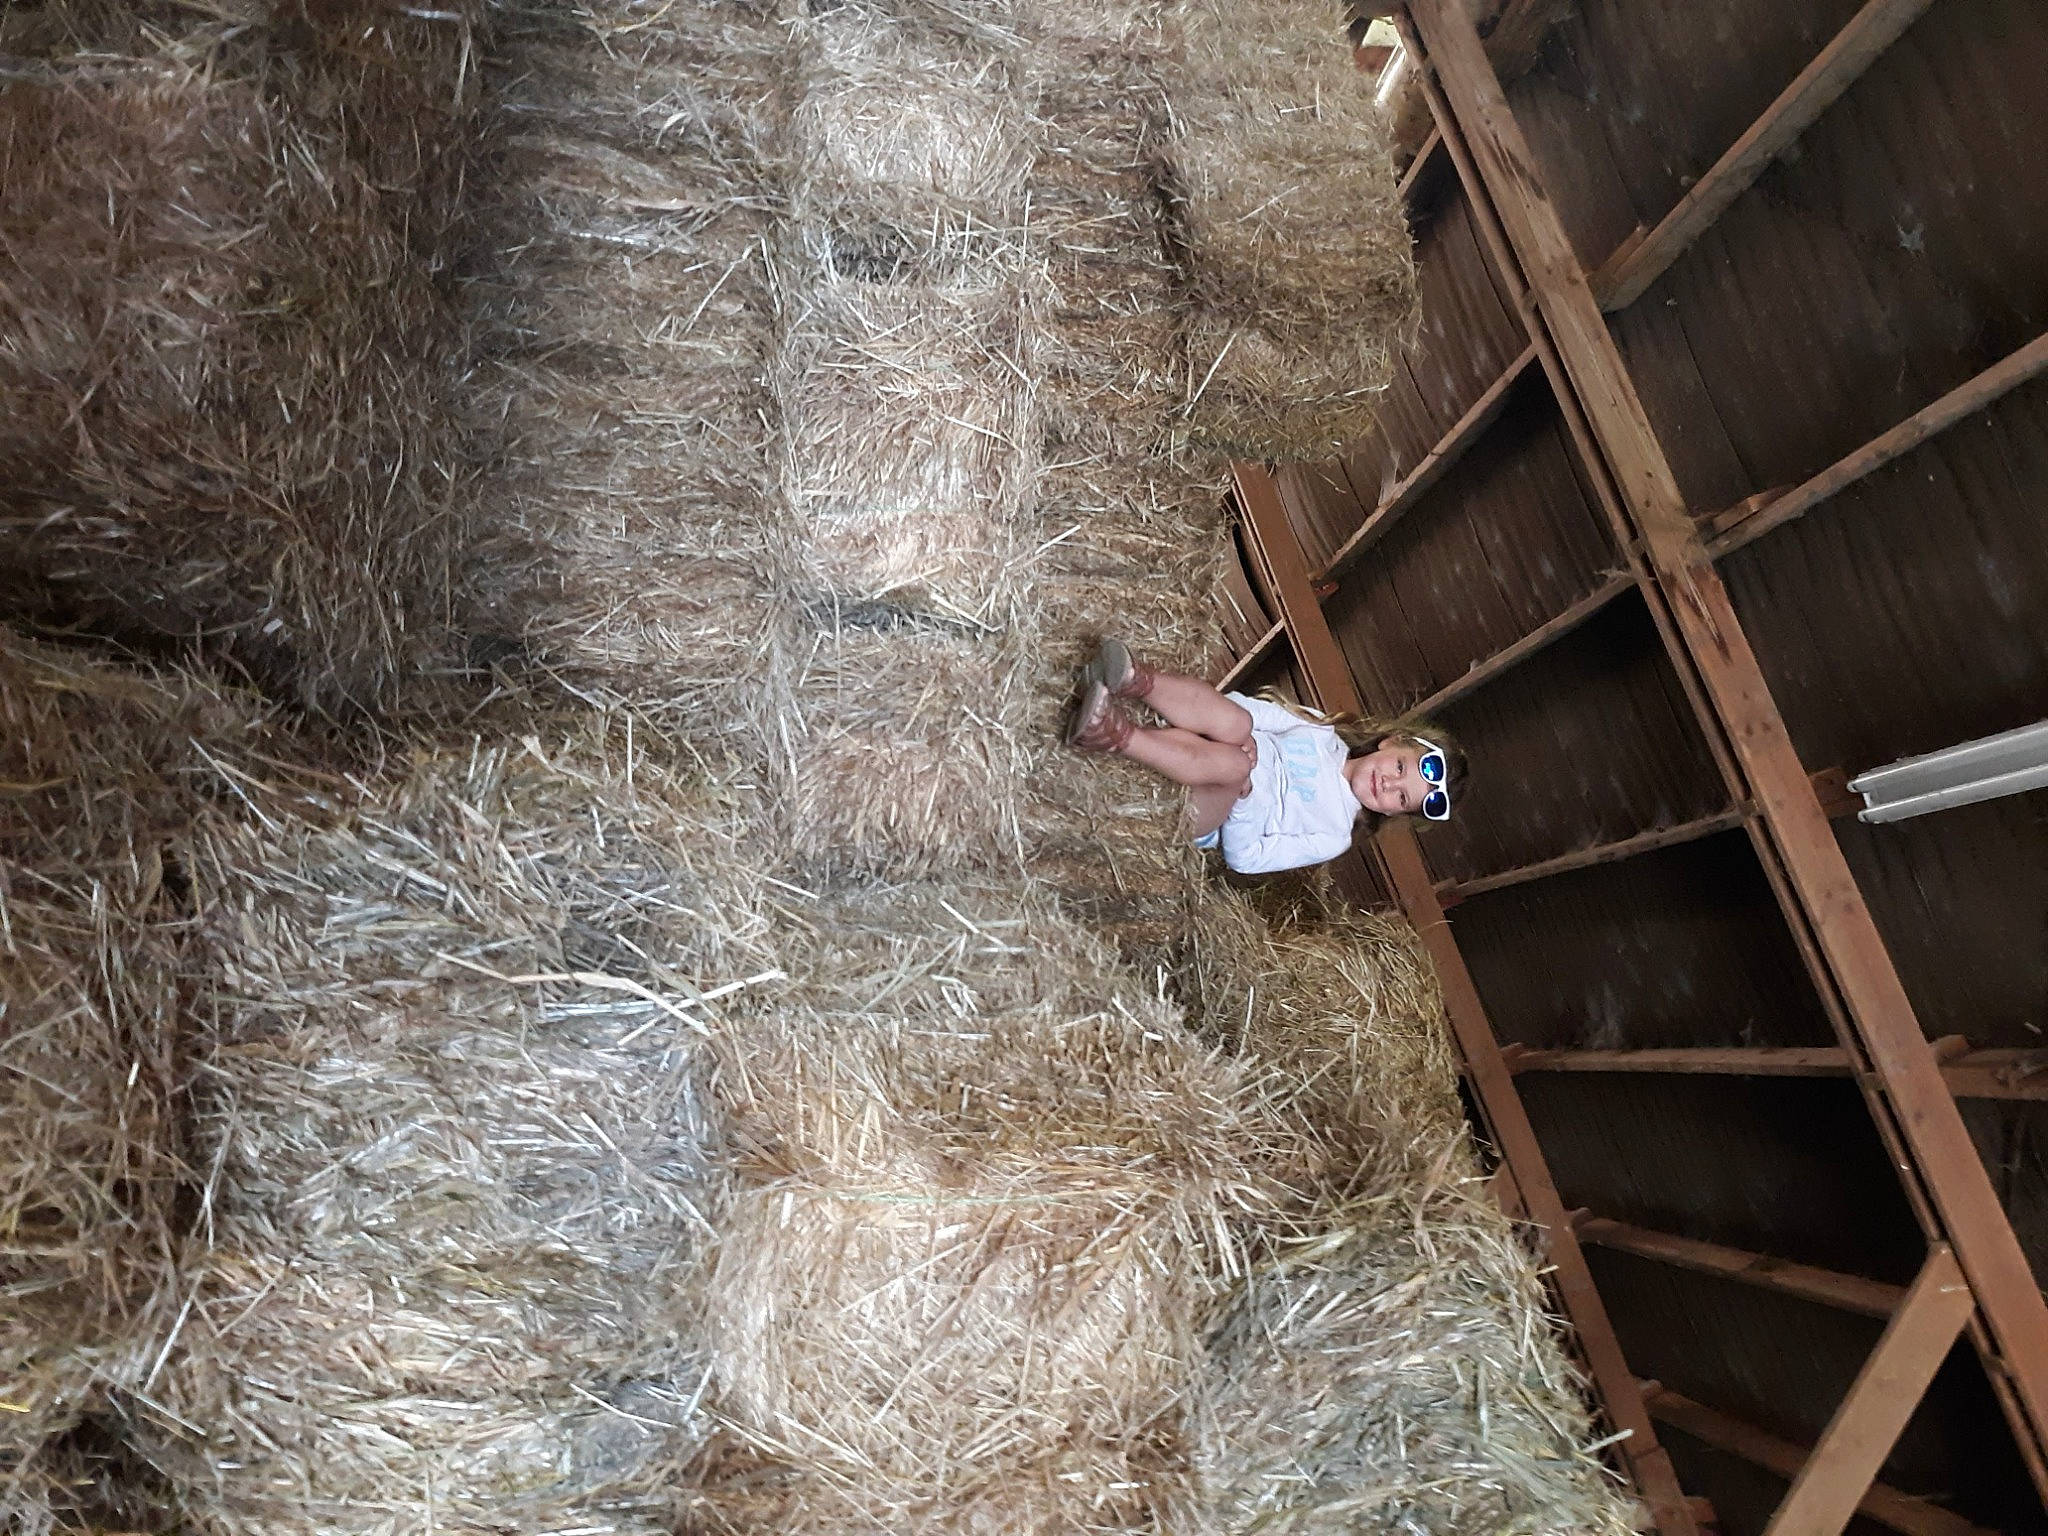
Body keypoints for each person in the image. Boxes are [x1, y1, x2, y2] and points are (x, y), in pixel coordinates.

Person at [1065, 637, 1463, 875]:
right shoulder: (1321, 733)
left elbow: (1247, 860)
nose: (1389, 784)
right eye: (1399, 768)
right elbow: (1247, 710)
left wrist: (1248, 793)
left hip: (1211, 810)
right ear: (1391, 742)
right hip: (1217, 744)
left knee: (1236, 768)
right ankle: (1134, 679)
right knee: (1238, 723)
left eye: (1401, 797)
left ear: (1395, 814)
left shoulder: (1334, 834)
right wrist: (1248, 735)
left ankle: (1114, 734)